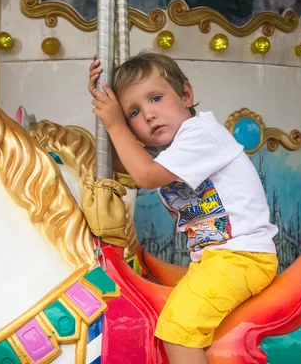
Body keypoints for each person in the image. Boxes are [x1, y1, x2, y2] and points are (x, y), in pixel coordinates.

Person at [88, 52, 279, 363]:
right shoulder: (168, 150)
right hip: (217, 260)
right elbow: (118, 159)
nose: (148, 114)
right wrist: (103, 105)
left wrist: (115, 121)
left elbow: (145, 175)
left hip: (242, 257)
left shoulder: (199, 134)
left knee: (177, 330)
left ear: (186, 94)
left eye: (156, 98)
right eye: (134, 112)